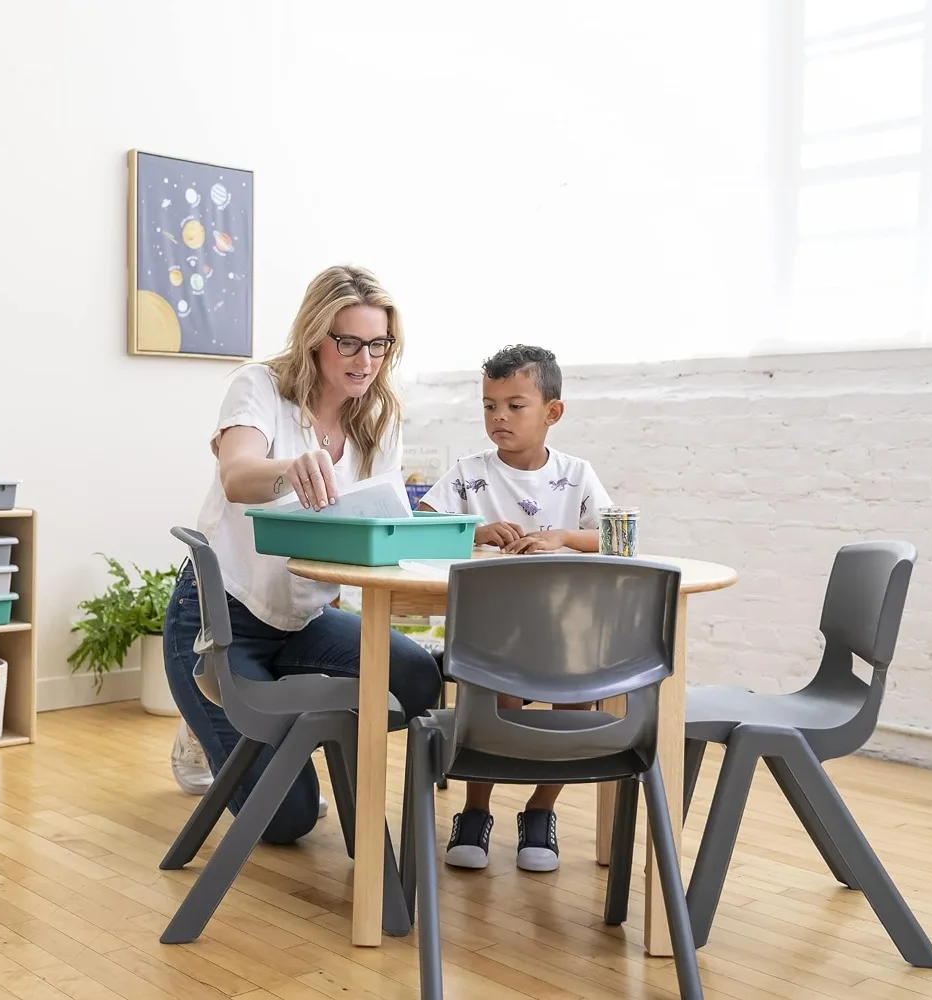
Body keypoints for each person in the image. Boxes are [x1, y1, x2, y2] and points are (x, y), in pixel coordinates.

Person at [164, 264, 443, 844]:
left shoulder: (379, 418)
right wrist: (289, 469)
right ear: (316, 336)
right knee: (287, 823)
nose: (364, 359)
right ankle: (209, 714)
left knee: (418, 676)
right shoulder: (259, 386)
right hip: (220, 621)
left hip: (304, 622)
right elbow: (239, 475)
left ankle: (285, 722)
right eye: (349, 342)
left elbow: (376, 523)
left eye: (378, 344)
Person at [417, 344, 613, 872]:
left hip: (566, 636)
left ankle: (539, 810)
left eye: (514, 405)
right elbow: (421, 525)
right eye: (488, 405)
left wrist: (563, 537)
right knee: (490, 701)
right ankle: (475, 811)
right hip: (492, 638)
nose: (498, 417)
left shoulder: (576, 475)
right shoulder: (467, 472)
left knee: (578, 704)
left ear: (552, 412)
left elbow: (620, 537)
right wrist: (474, 530)